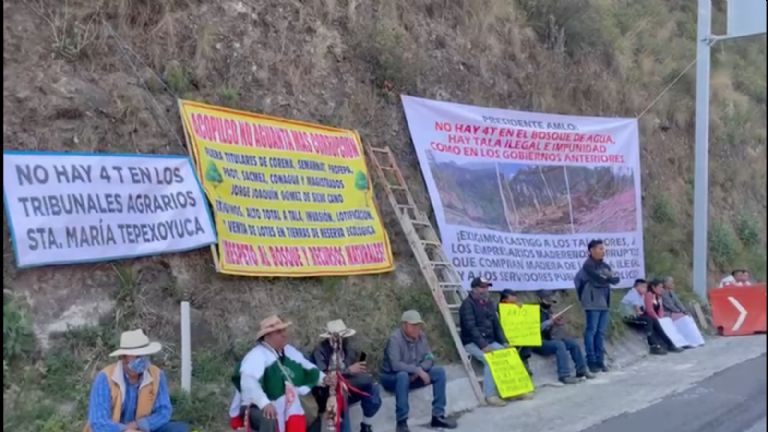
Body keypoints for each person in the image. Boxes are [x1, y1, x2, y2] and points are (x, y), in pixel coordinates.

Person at [229, 315, 334, 432]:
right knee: (268, 417)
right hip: (256, 406)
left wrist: (323, 379)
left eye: (284, 330)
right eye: (279, 332)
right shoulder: (257, 355)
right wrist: (264, 403)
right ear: (267, 336)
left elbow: (306, 367)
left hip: (286, 403)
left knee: (312, 414)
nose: (284, 334)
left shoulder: (289, 351)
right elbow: (249, 382)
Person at [85, 329, 189, 432]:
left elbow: (163, 412)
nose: (143, 360)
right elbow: (98, 422)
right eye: (138, 356)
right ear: (124, 358)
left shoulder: (157, 375)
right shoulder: (105, 378)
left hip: (143, 428)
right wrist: (125, 430)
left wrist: (139, 425)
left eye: (145, 356)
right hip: (115, 430)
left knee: (179, 429)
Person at [380, 310, 457, 432]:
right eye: (413, 325)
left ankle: (438, 415)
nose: (417, 328)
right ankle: (401, 422)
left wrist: (420, 370)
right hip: (392, 377)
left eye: (418, 325)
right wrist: (417, 370)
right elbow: (395, 365)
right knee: (402, 376)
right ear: (404, 325)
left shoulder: (421, 336)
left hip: (414, 374)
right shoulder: (395, 339)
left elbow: (429, 357)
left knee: (439, 372)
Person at [311, 319, 381, 432]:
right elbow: (326, 377)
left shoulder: (347, 348)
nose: (342, 339)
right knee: (341, 391)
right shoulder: (320, 351)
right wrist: (348, 370)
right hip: (327, 392)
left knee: (373, 387)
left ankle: (366, 425)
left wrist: (360, 369)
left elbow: (356, 365)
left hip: (349, 385)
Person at [459, 277, 508, 406]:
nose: (485, 290)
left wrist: (504, 342)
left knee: (508, 355)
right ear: (474, 289)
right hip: (472, 342)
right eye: (482, 287)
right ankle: (490, 395)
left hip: (488, 340)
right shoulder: (467, 305)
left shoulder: (489, 303)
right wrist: (483, 345)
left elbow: (496, 325)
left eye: (487, 287)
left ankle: (510, 390)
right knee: (491, 361)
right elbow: (471, 328)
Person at [575, 239, 620, 373]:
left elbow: (614, 279)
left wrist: (609, 278)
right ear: (591, 250)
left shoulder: (604, 265)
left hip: (604, 301)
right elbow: (598, 279)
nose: (603, 251)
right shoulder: (588, 266)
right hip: (592, 302)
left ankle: (600, 360)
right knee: (591, 331)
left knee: (600, 332)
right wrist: (607, 278)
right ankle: (591, 361)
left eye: (603, 249)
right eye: (600, 248)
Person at [532, 290, 594, 384]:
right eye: (547, 300)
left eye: (550, 301)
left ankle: (581, 370)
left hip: (549, 339)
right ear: (540, 299)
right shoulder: (532, 311)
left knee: (573, 344)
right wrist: (550, 322)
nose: (549, 303)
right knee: (559, 345)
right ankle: (564, 376)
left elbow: (553, 330)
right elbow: (534, 329)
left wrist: (558, 323)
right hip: (538, 342)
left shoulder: (549, 311)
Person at [620, 279, 676, 355]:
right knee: (648, 320)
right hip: (628, 317)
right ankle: (653, 345)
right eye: (643, 287)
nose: (645, 289)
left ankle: (668, 344)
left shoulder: (642, 295)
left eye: (646, 287)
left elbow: (642, 309)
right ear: (637, 287)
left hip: (635, 314)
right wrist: (644, 312)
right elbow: (638, 310)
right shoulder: (633, 293)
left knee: (653, 320)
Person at [661, 277, 705, 348]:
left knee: (688, 316)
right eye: (671, 282)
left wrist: (684, 310)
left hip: (674, 312)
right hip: (667, 312)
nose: (673, 284)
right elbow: (669, 305)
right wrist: (679, 312)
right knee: (683, 318)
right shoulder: (663, 293)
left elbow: (678, 303)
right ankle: (688, 340)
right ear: (665, 283)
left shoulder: (671, 292)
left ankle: (696, 339)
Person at [499, 289, 533, 377]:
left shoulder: (516, 306)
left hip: (517, 334)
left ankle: (525, 367)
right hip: (505, 336)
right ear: (505, 298)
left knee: (525, 343)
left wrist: (520, 309)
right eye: (512, 295)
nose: (515, 297)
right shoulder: (500, 307)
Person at [643, 280, 685, 352]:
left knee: (666, 322)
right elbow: (649, 310)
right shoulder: (648, 295)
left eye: (662, 287)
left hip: (656, 317)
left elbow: (661, 309)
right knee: (657, 324)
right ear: (653, 287)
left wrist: (661, 317)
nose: (662, 289)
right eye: (660, 287)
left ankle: (675, 343)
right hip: (649, 316)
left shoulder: (658, 296)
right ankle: (668, 345)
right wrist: (657, 318)